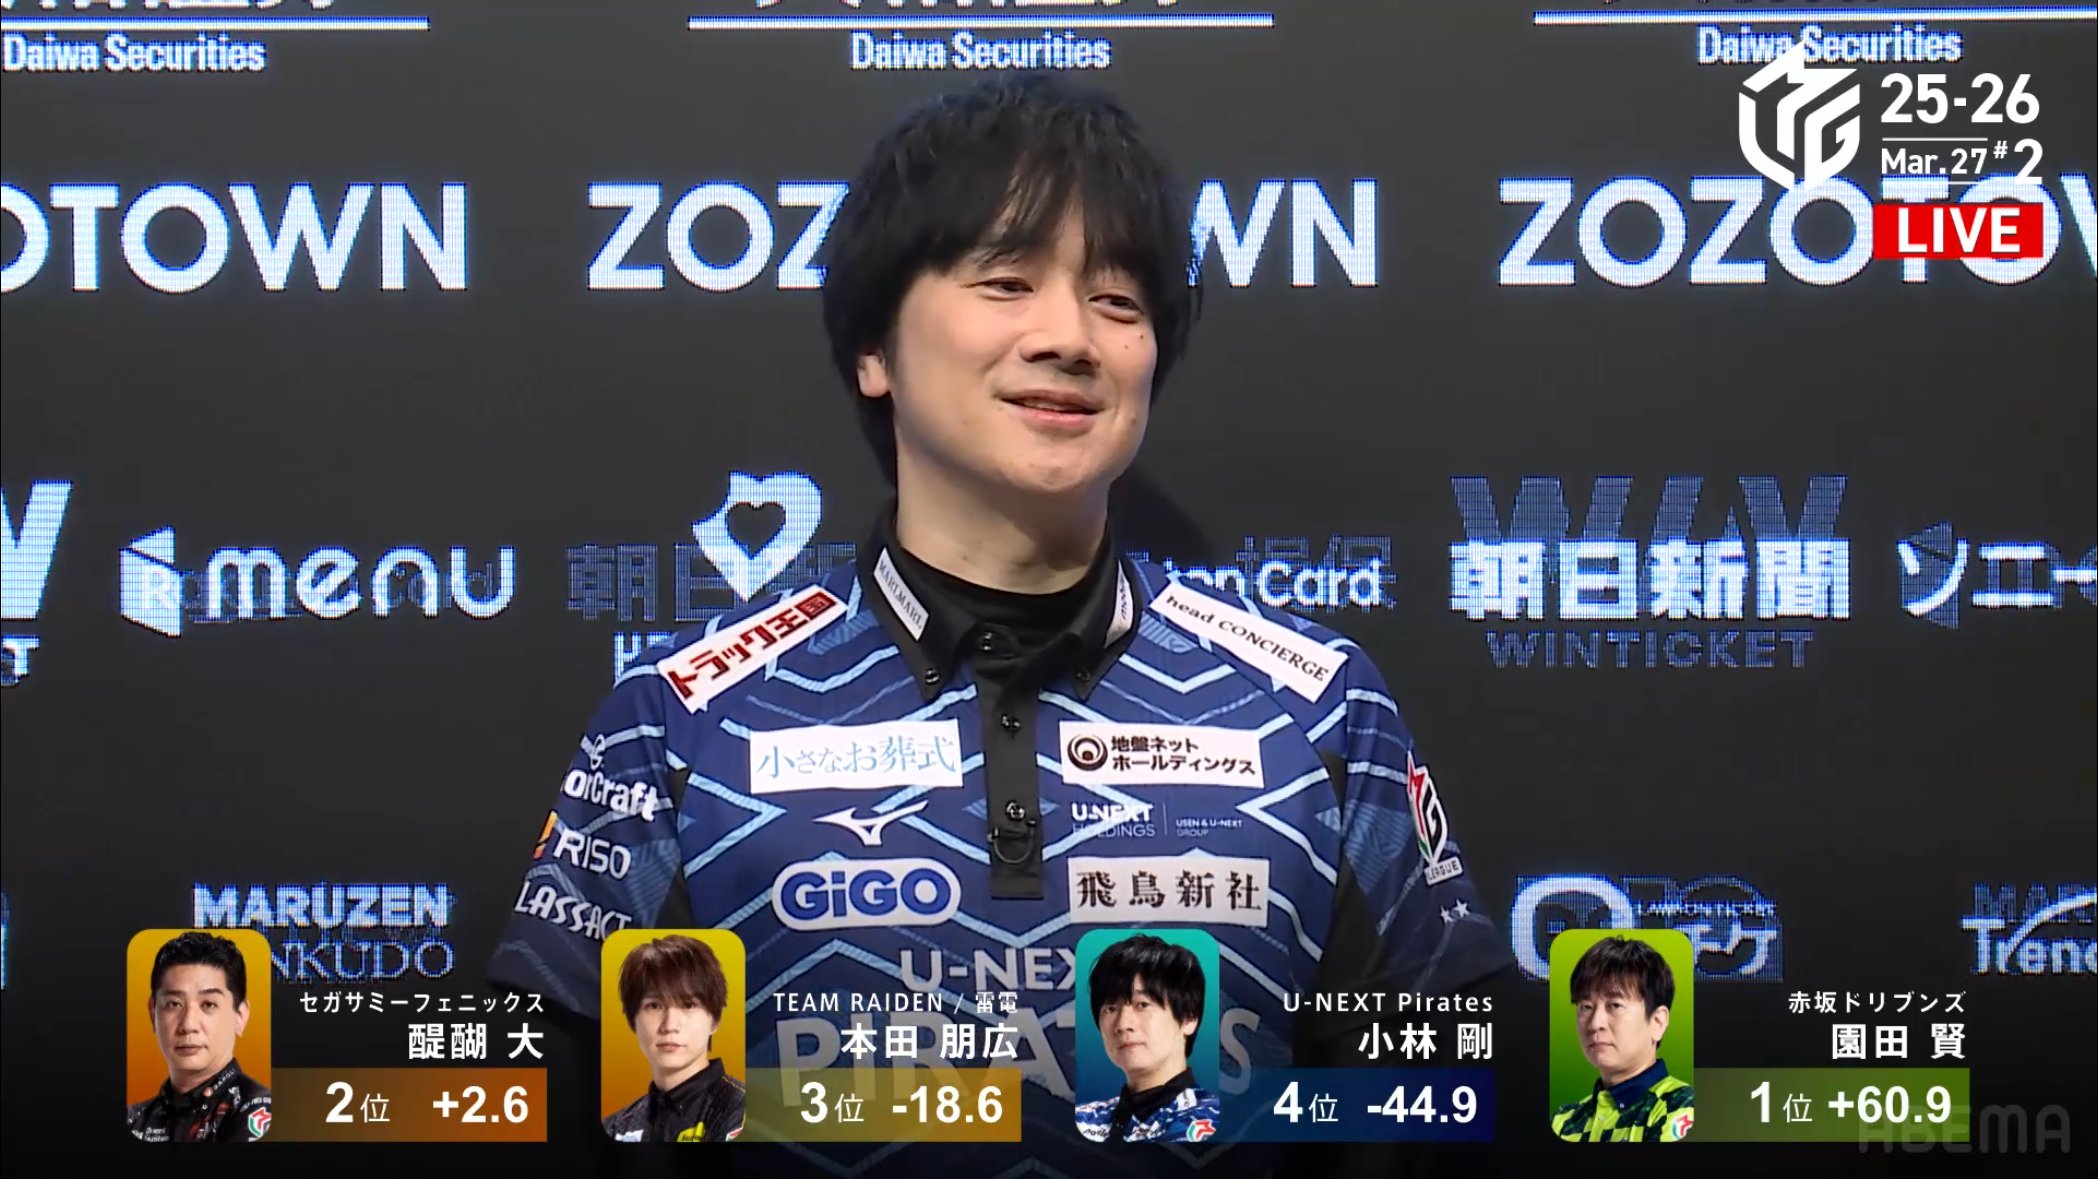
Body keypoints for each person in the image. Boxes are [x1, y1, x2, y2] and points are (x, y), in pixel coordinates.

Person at [491, 70, 1507, 1175]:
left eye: (1118, 302)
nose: (1068, 335)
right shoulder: (682, 716)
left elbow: (1441, 1103)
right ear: (874, 349)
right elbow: (568, 1109)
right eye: (1007, 281)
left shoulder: (1316, 703)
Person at [127, 931, 272, 1142]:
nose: (188, 1025)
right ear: (152, 1013)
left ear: (240, 1016)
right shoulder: (134, 1120)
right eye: (174, 1004)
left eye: (208, 1004)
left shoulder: (259, 1111)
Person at [1074, 936, 1221, 1143]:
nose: (1123, 1024)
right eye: (1111, 1008)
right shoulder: (1085, 1118)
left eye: (1142, 1005)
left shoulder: (1211, 1120)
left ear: (1189, 1018)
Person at [1551, 936, 1696, 1142]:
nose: (1595, 1023)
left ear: (1657, 1022)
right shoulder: (1563, 1122)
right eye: (1586, 1007)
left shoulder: (1681, 1108)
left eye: (1615, 1005)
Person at [603, 934, 745, 1142]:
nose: (669, 1025)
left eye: (688, 1005)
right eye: (655, 1006)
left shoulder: (744, 1111)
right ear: (633, 1020)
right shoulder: (616, 1126)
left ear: (715, 1020)